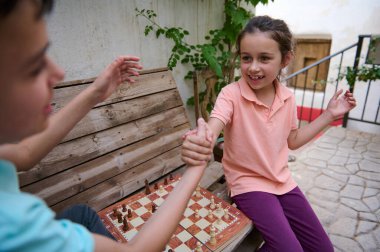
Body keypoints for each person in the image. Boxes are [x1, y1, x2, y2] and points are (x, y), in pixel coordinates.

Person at [0, 0, 212, 251]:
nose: (58, 73)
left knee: (81, 213)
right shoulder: (13, 223)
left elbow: (24, 154)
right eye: (34, 65)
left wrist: (96, 92)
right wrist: (197, 166)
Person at [181, 16, 357, 252]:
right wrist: (203, 139)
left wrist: (329, 115)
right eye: (246, 58)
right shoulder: (231, 94)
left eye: (264, 58)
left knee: (323, 249)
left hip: (282, 181)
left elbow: (293, 141)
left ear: (285, 59)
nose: (253, 67)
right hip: (248, 184)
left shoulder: (288, 97)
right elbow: (214, 125)